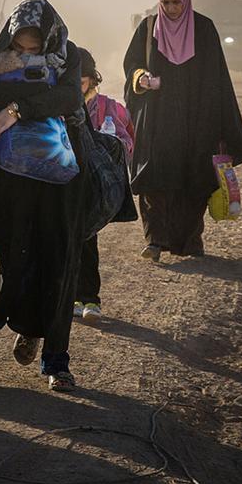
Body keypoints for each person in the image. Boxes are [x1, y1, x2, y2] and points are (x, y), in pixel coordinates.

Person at [0, 0, 91, 393]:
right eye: (20, 46)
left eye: (34, 46)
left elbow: (69, 98)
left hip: (61, 175)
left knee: (59, 259)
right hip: (12, 173)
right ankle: (28, 325)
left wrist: (18, 107)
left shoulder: (68, 54)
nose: (26, 52)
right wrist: (27, 97)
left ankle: (57, 360)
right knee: (15, 253)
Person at [124, 0, 242, 261]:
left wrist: (219, 125)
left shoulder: (204, 29)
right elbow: (132, 63)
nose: (171, 8)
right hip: (158, 120)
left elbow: (217, 77)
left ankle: (190, 241)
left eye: (176, 3)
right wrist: (140, 78)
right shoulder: (148, 28)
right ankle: (155, 241)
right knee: (154, 177)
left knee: (194, 180)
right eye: (166, 3)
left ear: (186, 0)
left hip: (197, 120)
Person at [73, 47, 134, 323]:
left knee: (87, 242)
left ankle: (90, 299)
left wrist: (105, 142)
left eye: (82, 82)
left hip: (91, 186)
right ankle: (70, 297)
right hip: (65, 180)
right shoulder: (60, 104)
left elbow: (126, 141)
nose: (77, 87)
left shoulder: (108, 108)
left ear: (92, 80)